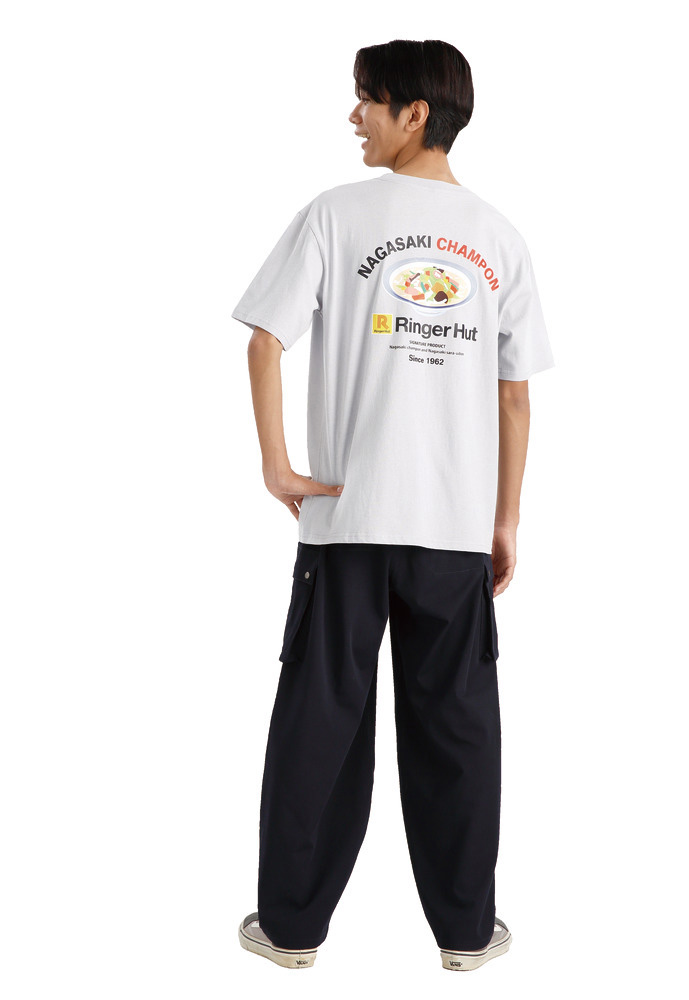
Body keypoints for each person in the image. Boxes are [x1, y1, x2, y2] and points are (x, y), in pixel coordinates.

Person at [231, 38, 555, 972]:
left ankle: (290, 931)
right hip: (452, 527)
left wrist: (278, 467)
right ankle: (465, 935)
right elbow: (514, 395)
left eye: (366, 101)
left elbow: (263, 340)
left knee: (319, 720)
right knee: (457, 728)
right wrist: (503, 519)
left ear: (414, 113)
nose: (354, 117)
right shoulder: (498, 236)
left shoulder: (336, 215)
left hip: (346, 519)